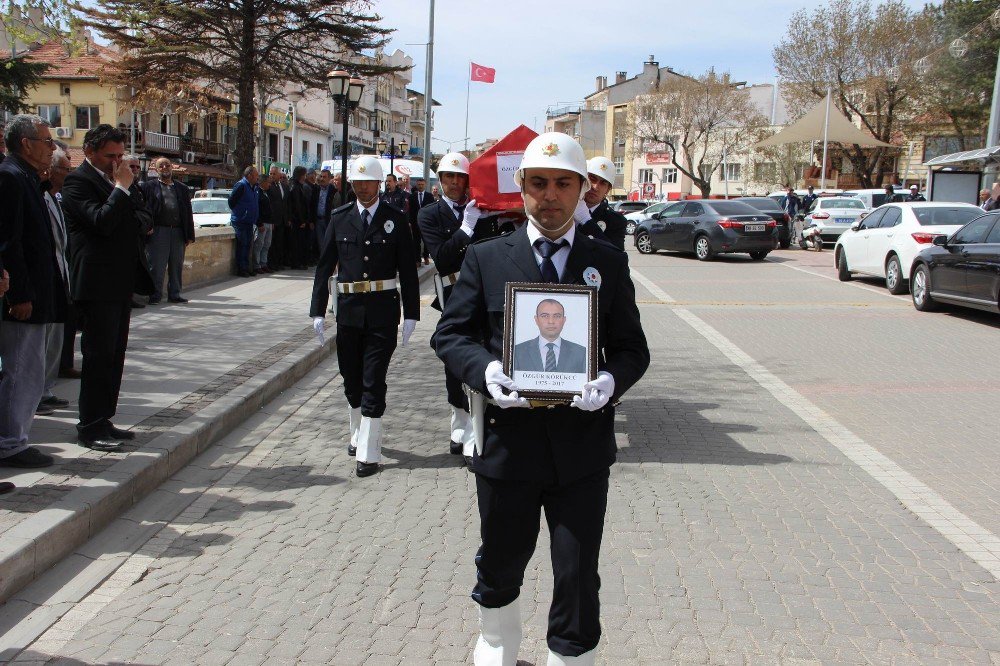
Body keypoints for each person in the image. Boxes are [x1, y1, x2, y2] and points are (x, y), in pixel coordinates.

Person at [432, 132, 649, 665]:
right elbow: (450, 335)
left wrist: (610, 383)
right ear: (521, 188)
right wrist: (485, 372)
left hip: (581, 451)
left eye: (562, 183)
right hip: (507, 448)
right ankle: (496, 646)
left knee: (577, 574)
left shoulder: (608, 261)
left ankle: (570, 657)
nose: (550, 195)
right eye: (538, 184)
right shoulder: (487, 257)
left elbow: (632, 348)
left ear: (581, 189)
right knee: (502, 563)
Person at [309, 155, 419, 478]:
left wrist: (411, 313)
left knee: (374, 379)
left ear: (380, 183)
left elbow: (408, 272)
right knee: (351, 376)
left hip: (383, 311)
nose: (362, 188)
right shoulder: (340, 217)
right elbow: (325, 265)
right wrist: (317, 308)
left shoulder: (396, 219)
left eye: (368, 183)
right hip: (349, 313)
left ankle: (369, 451)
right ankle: (357, 428)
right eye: (357, 183)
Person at [61, 123, 154, 451]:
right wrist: (120, 188)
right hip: (95, 283)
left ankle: (104, 418)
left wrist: (125, 189)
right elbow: (101, 221)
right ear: (89, 152)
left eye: (119, 156)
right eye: (109, 156)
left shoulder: (119, 182)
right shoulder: (77, 182)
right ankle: (89, 425)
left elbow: (141, 217)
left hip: (119, 281)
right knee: (98, 356)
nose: (116, 162)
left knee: (115, 355)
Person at [418, 152, 500, 464]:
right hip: (453, 292)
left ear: (468, 180)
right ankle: (460, 421)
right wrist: (465, 229)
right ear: (439, 181)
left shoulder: (483, 209)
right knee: (454, 363)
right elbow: (442, 258)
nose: (454, 183)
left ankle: (474, 427)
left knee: (485, 356)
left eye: (459, 177)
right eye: (447, 177)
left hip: (484, 293)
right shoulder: (429, 214)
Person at [0, 114, 62, 469]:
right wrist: (19, 294)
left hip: (36, 292)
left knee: (31, 370)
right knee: (21, 369)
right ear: (26, 144)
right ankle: (10, 443)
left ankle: (17, 436)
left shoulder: (26, 178)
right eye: (45, 142)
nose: (51, 148)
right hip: (22, 297)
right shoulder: (10, 177)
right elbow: (10, 242)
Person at [38, 142, 73, 414]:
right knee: (40, 344)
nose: (67, 173)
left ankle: (45, 389)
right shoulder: (40, 196)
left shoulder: (57, 198)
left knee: (54, 342)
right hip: (43, 280)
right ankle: (37, 394)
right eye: (64, 168)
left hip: (61, 277)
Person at [141, 157, 195, 303]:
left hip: (177, 232)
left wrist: (189, 234)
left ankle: (175, 294)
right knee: (156, 266)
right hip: (158, 232)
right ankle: (155, 295)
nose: (165, 167)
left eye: (167, 165)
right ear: (156, 170)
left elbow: (188, 213)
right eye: (161, 166)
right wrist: (147, 227)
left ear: (172, 168)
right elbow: (143, 210)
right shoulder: (148, 187)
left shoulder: (182, 188)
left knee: (176, 265)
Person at [512, 299, 586, 373]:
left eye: (557, 316)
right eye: (545, 316)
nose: (551, 321)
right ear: (536, 319)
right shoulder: (517, 352)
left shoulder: (581, 353)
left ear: (564, 320)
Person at [571, 156, 627, 251]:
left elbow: (616, 257)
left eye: (603, 183)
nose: (595, 187)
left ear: (608, 190)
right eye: (592, 179)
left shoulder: (615, 221)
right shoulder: (564, 207)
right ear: (583, 180)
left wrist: (586, 221)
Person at [228, 166, 260, 277]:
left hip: (249, 221)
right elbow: (231, 202)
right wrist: (241, 213)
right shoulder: (241, 185)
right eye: (256, 175)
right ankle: (242, 269)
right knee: (243, 244)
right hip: (240, 221)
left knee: (248, 245)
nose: (258, 177)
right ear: (249, 175)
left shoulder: (254, 187)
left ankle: (247, 267)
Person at [288, 166, 313, 269]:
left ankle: (298, 262)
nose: (305, 177)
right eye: (303, 175)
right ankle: (296, 263)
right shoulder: (295, 187)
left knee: (300, 242)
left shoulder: (298, 186)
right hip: (297, 221)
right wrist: (301, 220)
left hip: (298, 220)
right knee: (297, 243)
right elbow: (297, 205)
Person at [266, 165, 289, 271]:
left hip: (283, 220)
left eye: (274, 174)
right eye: (270, 173)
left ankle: (279, 263)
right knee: (272, 244)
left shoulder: (283, 186)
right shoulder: (269, 187)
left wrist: (287, 218)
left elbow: (285, 203)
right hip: (273, 221)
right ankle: (272, 264)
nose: (271, 176)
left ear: (279, 175)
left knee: (280, 243)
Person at [408, 178, 435, 266]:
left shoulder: (429, 196)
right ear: (416, 185)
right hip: (415, 223)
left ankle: (426, 257)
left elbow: (432, 210)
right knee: (416, 242)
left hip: (426, 223)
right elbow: (410, 211)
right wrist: (410, 222)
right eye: (419, 184)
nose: (420, 186)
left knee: (426, 241)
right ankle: (418, 260)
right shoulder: (412, 197)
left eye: (422, 184)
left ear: (425, 185)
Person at [253, 173, 274, 273]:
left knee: (267, 244)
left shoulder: (267, 193)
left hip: (269, 222)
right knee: (259, 244)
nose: (269, 185)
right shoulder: (258, 193)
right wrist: (259, 223)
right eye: (268, 183)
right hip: (262, 223)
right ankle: (257, 265)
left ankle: (263, 263)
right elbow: (257, 210)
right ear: (263, 182)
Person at [312, 169, 336, 246]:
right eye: (321, 176)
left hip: (329, 220)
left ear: (329, 178)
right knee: (321, 244)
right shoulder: (316, 189)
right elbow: (312, 205)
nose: (322, 179)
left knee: (329, 243)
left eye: (324, 177)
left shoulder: (333, 190)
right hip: (318, 221)